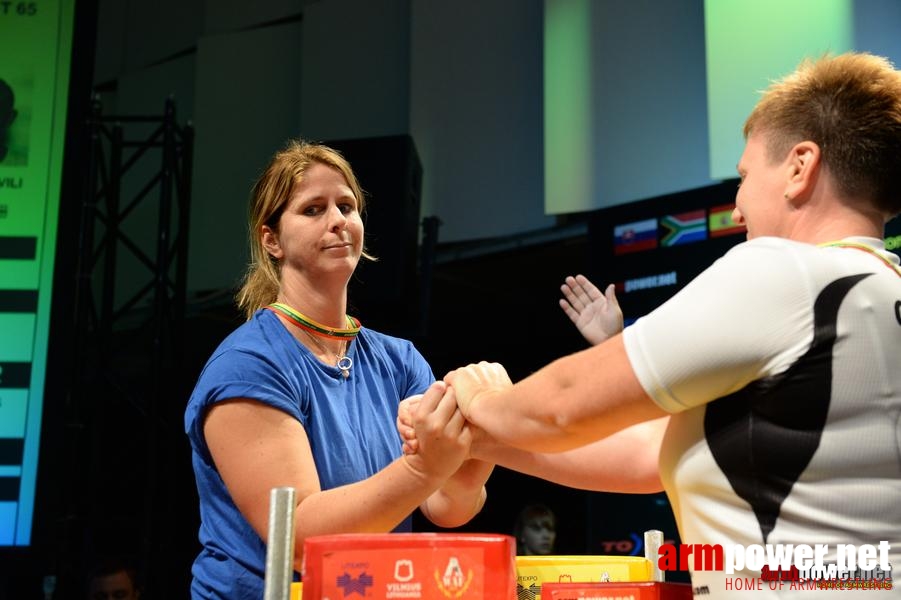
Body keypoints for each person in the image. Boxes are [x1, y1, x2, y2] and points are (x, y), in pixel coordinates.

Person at [438, 52, 901, 595]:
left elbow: (563, 403)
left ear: (800, 167)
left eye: (746, 177)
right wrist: (478, 442)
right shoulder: (878, 285)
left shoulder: (787, 272)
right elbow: (650, 454)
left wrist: (478, 398)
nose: (736, 210)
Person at [184, 140, 493, 599]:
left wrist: (474, 455)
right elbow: (303, 542)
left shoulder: (400, 360)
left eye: (346, 206)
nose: (337, 221)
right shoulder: (247, 365)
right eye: (313, 209)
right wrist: (427, 466)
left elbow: (447, 507)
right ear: (271, 239)